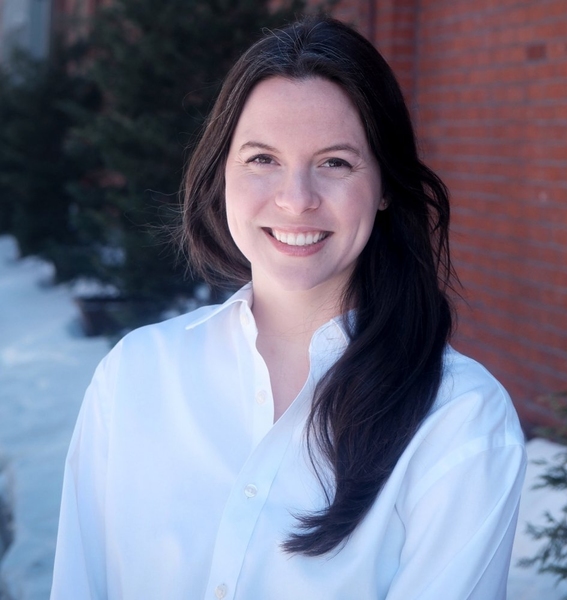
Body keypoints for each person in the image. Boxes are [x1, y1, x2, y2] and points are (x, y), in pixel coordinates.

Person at [50, 15, 526, 600]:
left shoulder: (460, 420)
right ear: (220, 173)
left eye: (335, 162)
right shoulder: (134, 376)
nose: (297, 199)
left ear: (383, 187)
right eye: (262, 159)